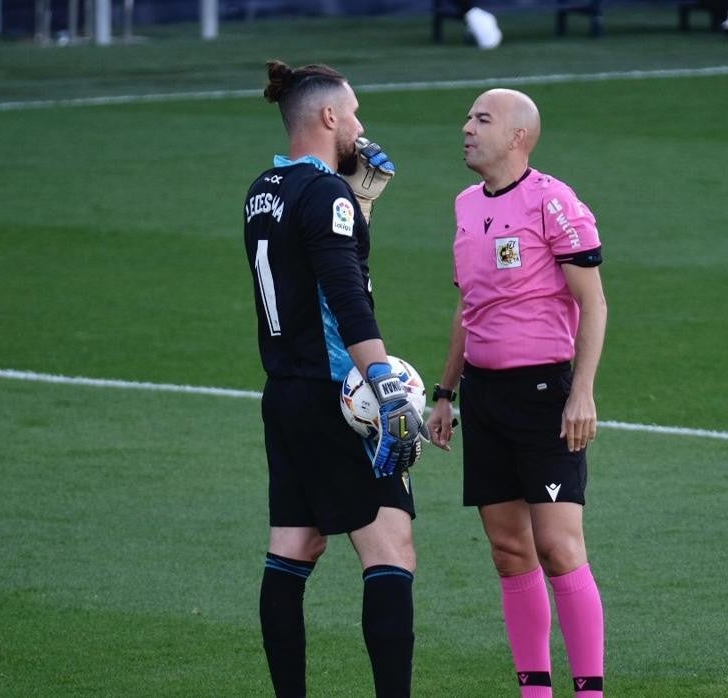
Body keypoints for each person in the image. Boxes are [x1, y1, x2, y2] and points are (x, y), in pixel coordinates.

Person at [244, 59, 427, 697]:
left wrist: (360, 207)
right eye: (352, 112)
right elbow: (347, 298)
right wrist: (384, 383)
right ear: (327, 117)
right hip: (336, 394)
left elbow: (310, 275)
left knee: (294, 546)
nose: (359, 124)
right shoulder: (327, 195)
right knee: (391, 550)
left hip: (285, 395)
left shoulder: (264, 188)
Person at [427, 88, 609, 697]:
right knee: (509, 549)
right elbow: (466, 305)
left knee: (559, 547)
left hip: (543, 396)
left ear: (517, 137)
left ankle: (589, 691)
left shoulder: (552, 203)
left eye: (483, 119)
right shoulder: (463, 205)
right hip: (484, 396)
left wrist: (581, 393)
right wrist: (445, 392)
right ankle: (534, 691)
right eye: (468, 117)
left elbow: (593, 302)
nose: (467, 128)